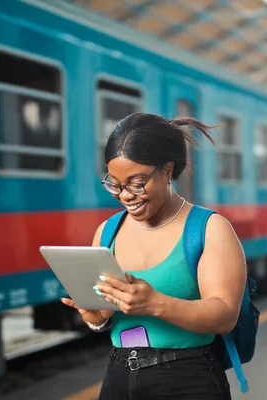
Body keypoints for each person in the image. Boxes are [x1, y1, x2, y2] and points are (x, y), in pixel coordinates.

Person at [61, 113, 247, 400]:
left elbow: (224, 317)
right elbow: (105, 319)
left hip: (189, 379)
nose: (126, 196)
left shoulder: (209, 229)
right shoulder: (107, 232)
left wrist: (154, 303)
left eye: (137, 183)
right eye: (115, 184)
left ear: (167, 170)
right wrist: (94, 316)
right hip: (119, 377)